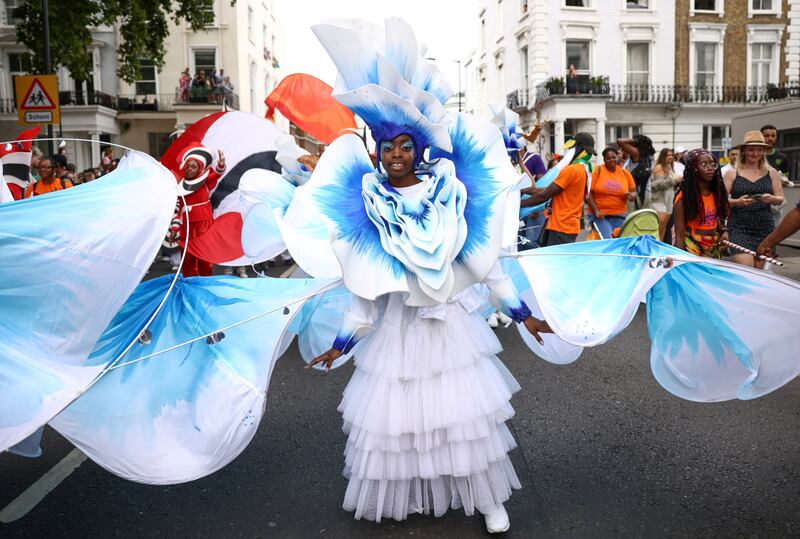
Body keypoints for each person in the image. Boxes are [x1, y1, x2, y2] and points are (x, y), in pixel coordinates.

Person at [307, 132, 552, 533]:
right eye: (388, 148)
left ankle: (487, 500)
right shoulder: (367, 207)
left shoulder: (449, 192)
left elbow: (487, 267)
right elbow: (365, 291)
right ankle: (410, 495)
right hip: (398, 327)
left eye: (405, 146)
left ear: (418, 151)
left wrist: (525, 316)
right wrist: (340, 345)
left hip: (448, 327)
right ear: (378, 154)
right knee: (397, 419)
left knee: (461, 417)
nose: (397, 155)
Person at [723, 131, 784, 269]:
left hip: (765, 229)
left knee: (760, 274)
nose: (755, 153)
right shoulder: (732, 172)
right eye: (751, 149)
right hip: (739, 228)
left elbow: (780, 199)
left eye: (759, 150)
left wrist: (771, 198)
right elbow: (720, 200)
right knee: (747, 270)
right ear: (743, 150)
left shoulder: (771, 172)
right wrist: (736, 202)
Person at [522, 133, 596, 246]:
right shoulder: (584, 169)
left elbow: (545, 195)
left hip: (561, 226)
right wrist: (524, 190)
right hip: (566, 226)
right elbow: (551, 190)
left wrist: (518, 204)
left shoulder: (572, 170)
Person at [176, 144, 226, 277]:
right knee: (187, 259)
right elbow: (178, 209)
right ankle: (190, 284)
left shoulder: (205, 182)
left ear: (199, 169)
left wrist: (220, 165)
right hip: (186, 227)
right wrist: (174, 230)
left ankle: (205, 283)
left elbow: (218, 174)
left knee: (204, 257)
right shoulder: (180, 186)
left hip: (203, 225)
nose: (189, 169)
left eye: (193, 167)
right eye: (187, 166)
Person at [673, 149, 729, 258]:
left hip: (713, 246)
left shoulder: (716, 194)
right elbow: (679, 236)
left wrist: (723, 232)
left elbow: (713, 219)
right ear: (693, 168)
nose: (710, 168)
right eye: (704, 164)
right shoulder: (684, 199)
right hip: (691, 247)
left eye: (713, 165)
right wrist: (678, 261)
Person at [586, 146, 636, 239]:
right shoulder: (598, 171)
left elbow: (633, 191)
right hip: (601, 216)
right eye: (608, 158)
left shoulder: (625, 173)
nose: (611, 160)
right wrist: (596, 211)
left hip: (619, 215)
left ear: (617, 158)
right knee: (607, 238)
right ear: (604, 160)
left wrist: (631, 196)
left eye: (614, 157)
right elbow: (588, 193)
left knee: (619, 240)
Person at [650, 148, 681, 240]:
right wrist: (674, 180)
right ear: (663, 156)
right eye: (668, 155)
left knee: (663, 229)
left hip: (668, 202)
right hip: (659, 203)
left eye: (672, 155)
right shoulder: (659, 167)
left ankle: (659, 248)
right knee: (659, 229)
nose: (670, 157)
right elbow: (655, 185)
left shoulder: (669, 167)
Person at [617, 134, 655, 209]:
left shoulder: (638, 154)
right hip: (645, 193)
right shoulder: (649, 155)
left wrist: (636, 141)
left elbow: (620, 141)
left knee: (631, 218)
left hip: (635, 194)